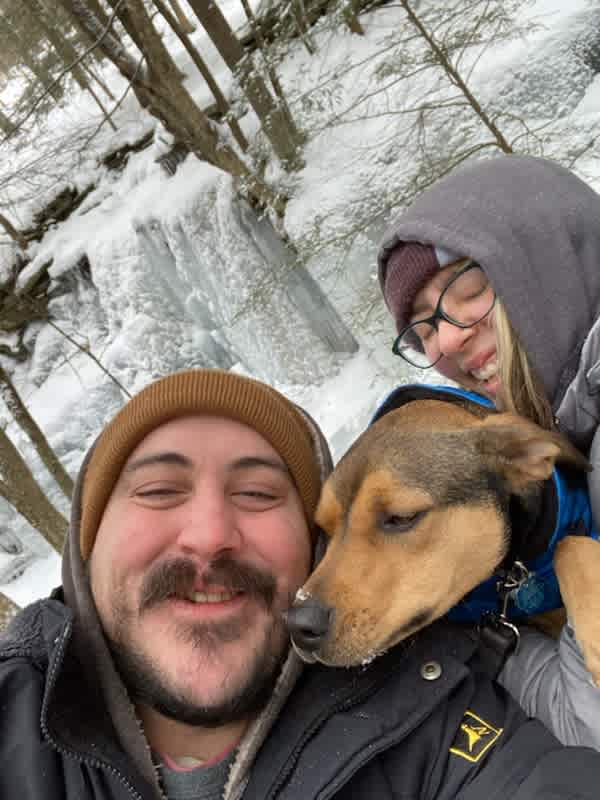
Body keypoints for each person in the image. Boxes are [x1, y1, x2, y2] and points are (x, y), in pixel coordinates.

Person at [2, 367, 600, 799]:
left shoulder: (433, 709)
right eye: (159, 490)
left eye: (258, 495)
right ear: (86, 543)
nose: (209, 534)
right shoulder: (16, 706)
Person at [377, 153, 600, 748]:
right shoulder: (568, 441)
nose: (446, 339)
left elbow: (588, 724)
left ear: (550, 256)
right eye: (422, 331)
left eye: (468, 290)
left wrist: (491, 642)